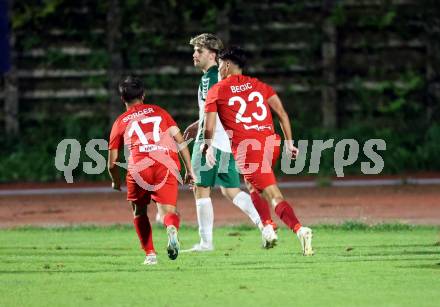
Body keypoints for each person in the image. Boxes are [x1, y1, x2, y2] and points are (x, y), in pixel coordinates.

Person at [203, 46, 314, 256]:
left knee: (273, 193)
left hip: (248, 148)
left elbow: (209, 126)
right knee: (253, 186)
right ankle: (268, 227)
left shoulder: (217, 90)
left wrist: (207, 145)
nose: (218, 69)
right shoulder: (259, 85)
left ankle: (300, 230)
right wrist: (289, 142)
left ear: (226, 65)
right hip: (271, 144)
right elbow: (281, 113)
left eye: (218, 65)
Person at [183, 33, 277, 251]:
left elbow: (213, 112)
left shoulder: (210, 78)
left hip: (211, 140)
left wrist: (205, 143)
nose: (194, 55)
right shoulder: (223, 76)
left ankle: (206, 243)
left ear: (213, 55)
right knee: (230, 190)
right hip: (229, 141)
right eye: (194, 50)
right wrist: (198, 122)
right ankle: (265, 226)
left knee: (201, 187)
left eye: (200, 51)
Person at [108, 76, 194, 265]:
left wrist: (115, 180)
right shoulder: (159, 112)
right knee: (169, 211)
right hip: (165, 163)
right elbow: (180, 141)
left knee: (139, 211)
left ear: (122, 99)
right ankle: (171, 228)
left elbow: (112, 162)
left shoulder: (120, 122)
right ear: (143, 95)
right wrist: (189, 169)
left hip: (139, 167)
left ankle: (150, 255)